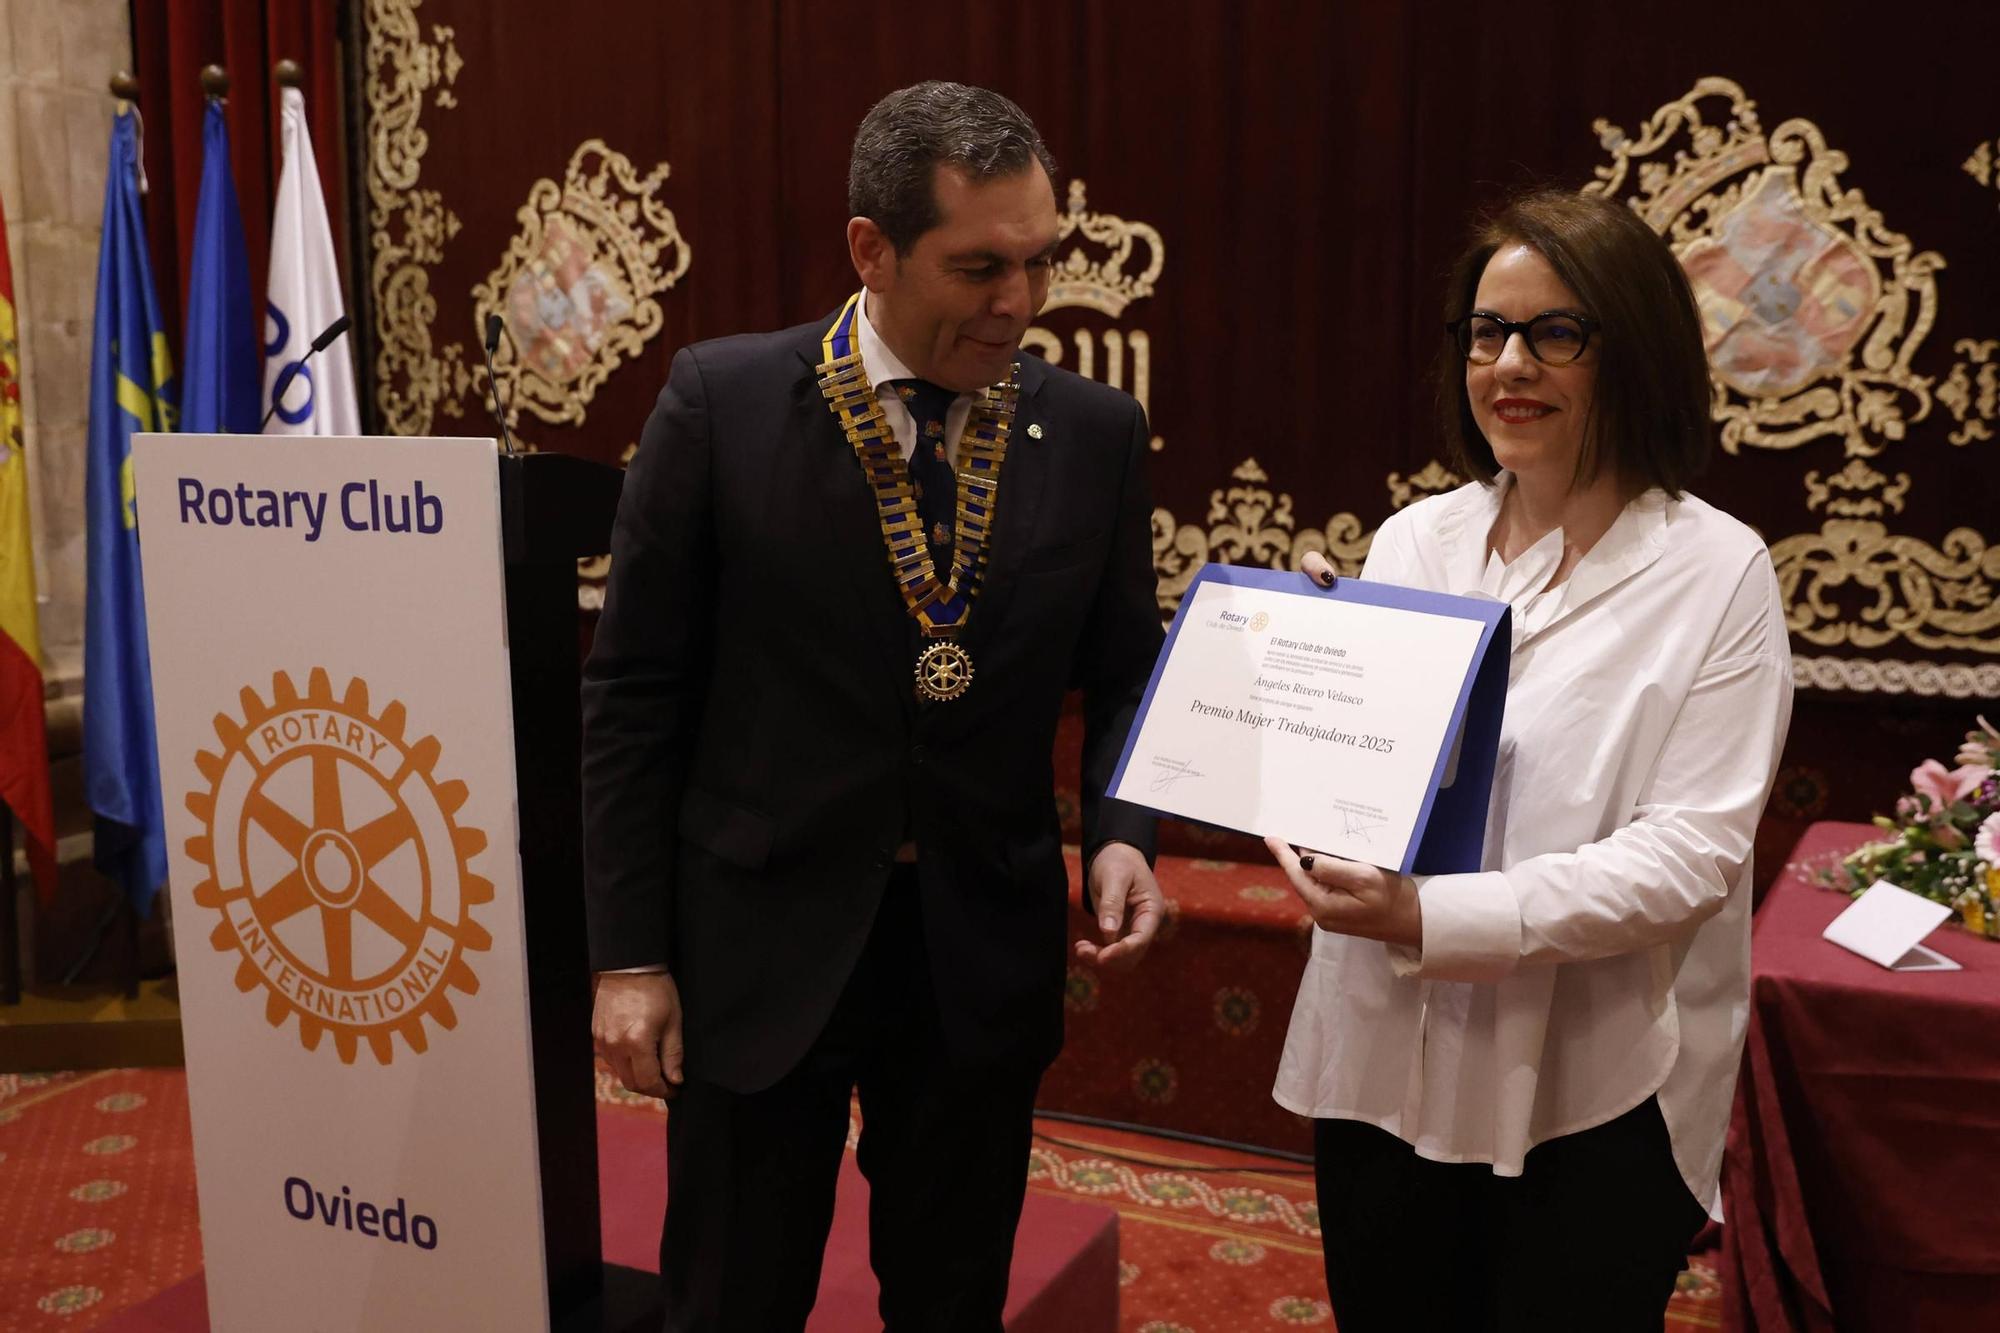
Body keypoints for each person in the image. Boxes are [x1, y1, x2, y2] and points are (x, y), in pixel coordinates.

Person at [581, 81, 1166, 1332]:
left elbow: (1126, 668)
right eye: (976, 267)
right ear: (871, 248)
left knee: (951, 1296)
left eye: (1035, 262)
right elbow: (634, 694)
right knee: (734, 1297)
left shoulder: (1096, 430)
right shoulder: (720, 406)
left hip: (973, 949)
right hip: (758, 946)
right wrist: (628, 956)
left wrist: (1122, 826)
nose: (1016, 302)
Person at [1267, 189, 1793, 1330]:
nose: (1508, 362)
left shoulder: (1716, 570)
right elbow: (1371, 782)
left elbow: (1688, 856)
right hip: (1385, 1064)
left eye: (1555, 332)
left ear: (1636, 351)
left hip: (1593, 1084)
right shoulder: (1416, 539)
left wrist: (1431, 917)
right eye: (1485, 331)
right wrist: (1297, 691)